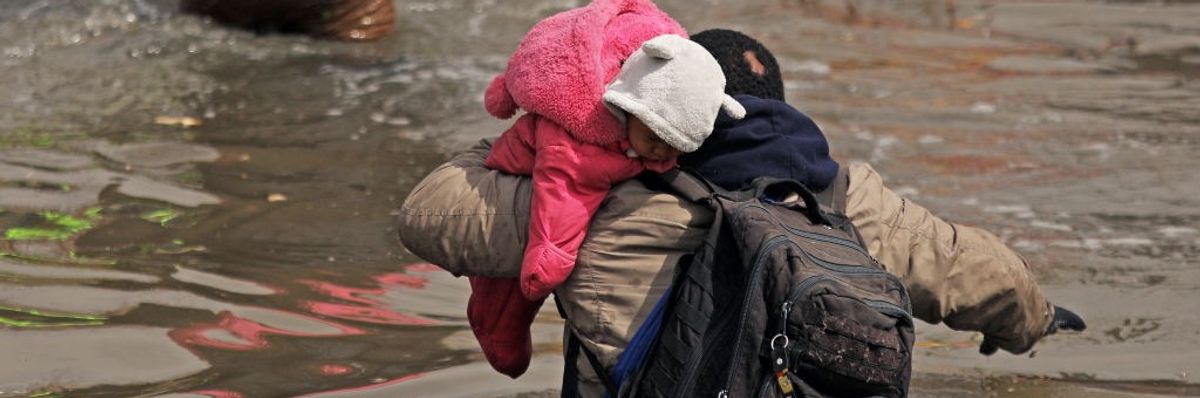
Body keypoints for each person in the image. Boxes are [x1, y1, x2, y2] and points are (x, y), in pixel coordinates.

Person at [398, 29, 1083, 396]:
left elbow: (427, 214)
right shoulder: (838, 195)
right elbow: (980, 269)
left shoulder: (592, 195)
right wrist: (1034, 321)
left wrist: (534, 134)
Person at [463, 1, 744, 378]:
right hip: (525, 168)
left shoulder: (643, 132)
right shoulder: (583, 136)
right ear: (630, 107)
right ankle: (495, 327)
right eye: (654, 137)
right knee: (518, 282)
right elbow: (561, 193)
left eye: (674, 145)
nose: (661, 151)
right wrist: (552, 256)